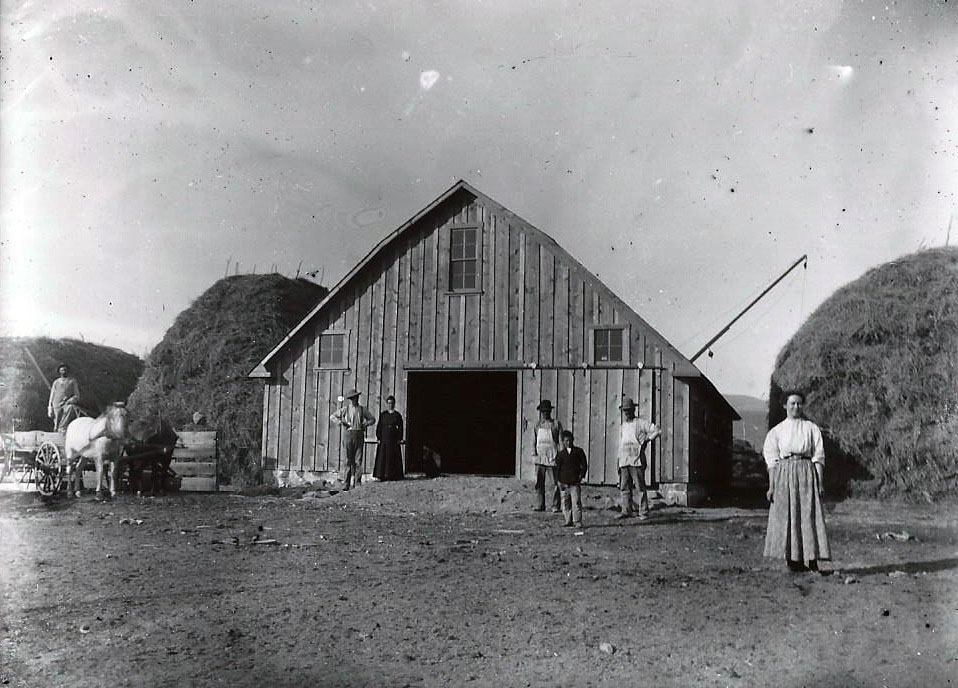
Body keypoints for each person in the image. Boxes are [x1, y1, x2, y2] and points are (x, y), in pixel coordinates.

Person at [763, 390, 830, 572]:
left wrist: (820, 482)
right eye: (792, 403)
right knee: (788, 516)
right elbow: (772, 462)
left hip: (806, 472)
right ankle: (794, 562)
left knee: (808, 515)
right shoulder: (776, 432)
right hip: (784, 474)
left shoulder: (811, 428)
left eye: (799, 403)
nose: (796, 407)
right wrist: (772, 487)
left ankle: (812, 560)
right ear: (785, 405)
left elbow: (818, 457)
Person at [615, 397, 661, 520]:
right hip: (624, 460)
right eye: (625, 411)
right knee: (624, 487)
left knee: (640, 486)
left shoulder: (640, 423)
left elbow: (657, 430)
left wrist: (647, 439)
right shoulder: (623, 426)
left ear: (633, 410)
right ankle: (626, 510)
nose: (627, 413)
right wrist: (618, 460)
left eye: (629, 410)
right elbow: (621, 444)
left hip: (636, 460)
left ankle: (643, 512)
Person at [329, 388, 375, 490]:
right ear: (350, 399)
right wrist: (342, 422)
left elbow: (372, 419)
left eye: (356, 397)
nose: (355, 399)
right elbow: (332, 416)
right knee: (348, 460)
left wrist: (366, 424)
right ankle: (346, 483)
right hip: (348, 434)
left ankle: (357, 482)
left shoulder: (362, 409)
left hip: (359, 434)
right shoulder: (346, 409)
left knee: (358, 460)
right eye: (353, 398)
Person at [531, 399, 562, 512]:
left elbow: (560, 441)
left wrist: (561, 455)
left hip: (552, 457)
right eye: (543, 412)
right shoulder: (537, 425)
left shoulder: (556, 424)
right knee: (539, 482)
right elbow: (534, 441)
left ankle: (555, 505)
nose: (544, 414)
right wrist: (533, 454)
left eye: (546, 411)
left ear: (550, 411)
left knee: (555, 483)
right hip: (540, 457)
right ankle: (540, 504)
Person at [555, 430, 588, 528]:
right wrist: (558, 481)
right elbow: (557, 469)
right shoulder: (561, 454)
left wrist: (581, 476)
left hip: (574, 483)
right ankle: (567, 520)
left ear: (573, 440)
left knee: (576, 502)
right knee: (565, 503)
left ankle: (577, 521)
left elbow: (584, 465)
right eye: (566, 441)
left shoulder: (578, 451)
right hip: (564, 483)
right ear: (563, 442)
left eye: (570, 440)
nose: (568, 443)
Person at [373, 395, 404, 481]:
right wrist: (378, 437)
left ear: (394, 404)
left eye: (392, 403)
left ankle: (392, 475)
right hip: (384, 440)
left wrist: (399, 438)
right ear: (387, 404)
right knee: (382, 457)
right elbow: (379, 426)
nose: (390, 405)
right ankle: (381, 475)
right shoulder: (383, 415)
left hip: (393, 441)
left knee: (392, 457)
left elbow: (400, 427)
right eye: (389, 403)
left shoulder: (397, 415)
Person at [47, 363, 81, 432]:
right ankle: (56, 434)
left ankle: (62, 428)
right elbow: (52, 395)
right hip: (56, 405)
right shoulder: (56, 382)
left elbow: (77, 395)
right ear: (59, 371)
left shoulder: (72, 381)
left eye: (65, 370)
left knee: (70, 408)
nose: (63, 372)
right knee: (56, 423)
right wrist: (50, 407)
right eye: (62, 370)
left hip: (66, 404)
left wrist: (69, 401)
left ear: (68, 371)